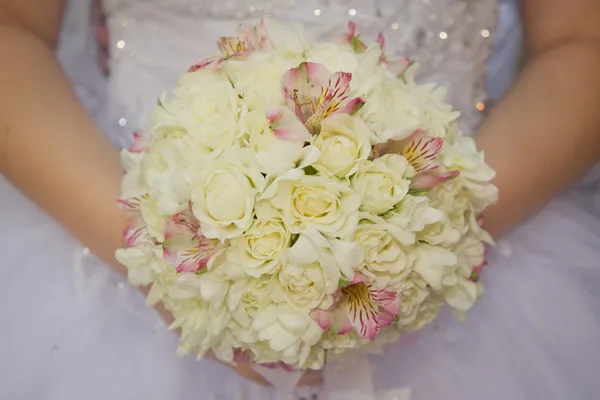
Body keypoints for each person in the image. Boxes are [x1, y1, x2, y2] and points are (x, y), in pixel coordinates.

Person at [1, 0, 599, 399]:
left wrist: (431, 235)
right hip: (114, 240)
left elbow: (582, 39)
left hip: (468, 260)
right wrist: (165, 258)